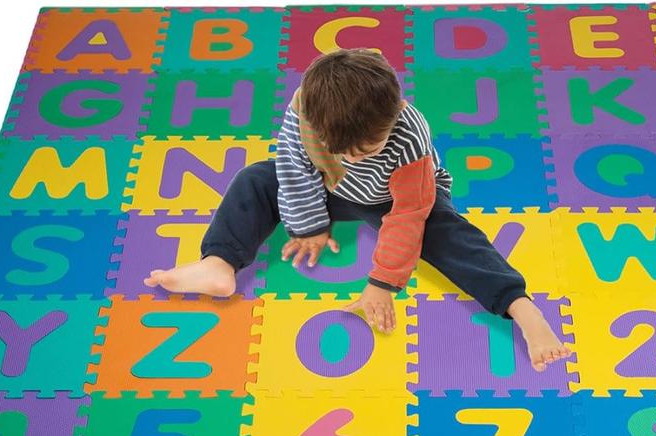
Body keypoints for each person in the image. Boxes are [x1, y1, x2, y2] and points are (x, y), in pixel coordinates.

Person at [144, 49, 572, 372]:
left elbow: (407, 215)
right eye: (342, 150)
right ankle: (218, 262)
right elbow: (295, 165)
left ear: (395, 114)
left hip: (398, 196)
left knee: (447, 232)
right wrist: (307, 224)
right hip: (333, 191)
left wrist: (382, 283)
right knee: (256, 178)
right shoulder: (305, 110)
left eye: (366, 148)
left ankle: (520, 308)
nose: (354, 157)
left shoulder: (408, 137)